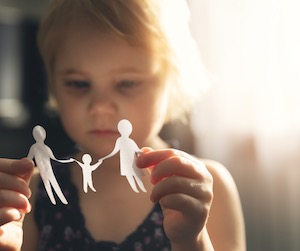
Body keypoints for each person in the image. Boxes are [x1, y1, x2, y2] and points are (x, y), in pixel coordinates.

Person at [0, 0, 246, 250]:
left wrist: (191, 239)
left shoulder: (203, 187)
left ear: (172, 82)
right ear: (53, 84)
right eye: (78, 83)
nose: (100, 106)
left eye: (127, 83)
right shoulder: (33, 192)